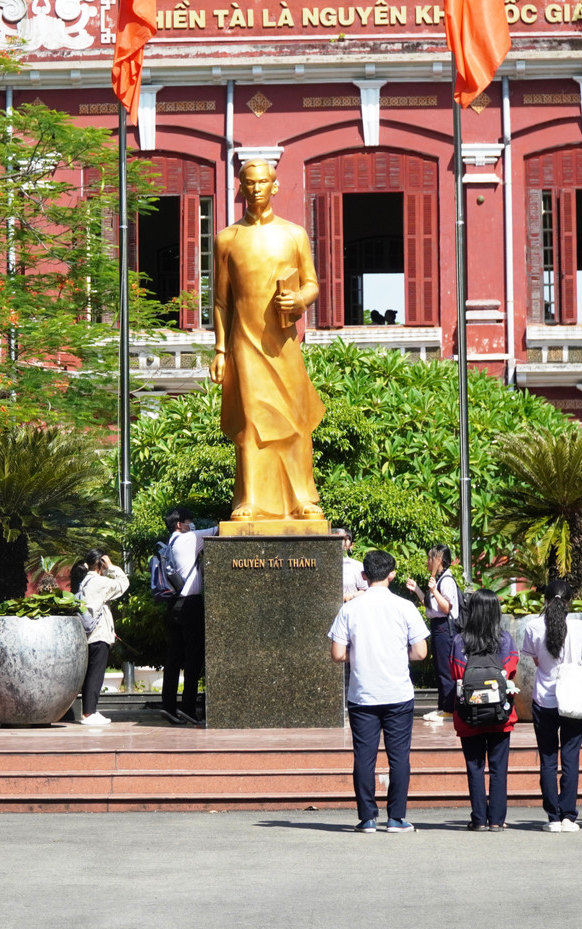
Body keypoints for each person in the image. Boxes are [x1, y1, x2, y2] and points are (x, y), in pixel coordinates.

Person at [209, 158, 325, 523]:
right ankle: (251, 500)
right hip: (244, 341)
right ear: (241, 188)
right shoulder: (227, 239)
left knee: (295, 418)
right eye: (250, 182)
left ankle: (303, 498)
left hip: (283, 343)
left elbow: (312, 283)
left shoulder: (294, 235)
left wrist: (301, 299)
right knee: (252, 420)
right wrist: (219, 349)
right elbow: (220, 300)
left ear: (274, 187)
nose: (256, 187)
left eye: (263, 182)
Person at [328, 549, 430, 834]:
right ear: (392, 574)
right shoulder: (405, 607)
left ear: (363, 576)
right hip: (397, 693)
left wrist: (361, 654)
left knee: (364, 756)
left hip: (363, 694)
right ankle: (396, 818)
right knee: (399, 757)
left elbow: (337, 654)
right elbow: (421, 652)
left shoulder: (349, 608)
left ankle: (368, 819)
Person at [520, 579, 582, 832]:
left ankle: (552, 818)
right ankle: (569, 817)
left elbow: (536, 659)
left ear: (545, 600)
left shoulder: (532, 626)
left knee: (548, 759)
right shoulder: (578, 626)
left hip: (544, 699)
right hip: (572, 698)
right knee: (571, 757)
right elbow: (581, 656)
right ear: (569, 601)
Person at [449, 588, 518, 831]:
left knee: (475, 766)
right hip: (500, 713)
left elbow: (457, 674)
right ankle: (497, 820)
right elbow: (510, 671)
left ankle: (478, 819)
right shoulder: (505, 640)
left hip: (469, 714)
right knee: (499, 768)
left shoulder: (460, 641)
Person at [161, 507, 218, 725]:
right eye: (189, 521)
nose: (191, 525)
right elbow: (219, 530)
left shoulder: (170, 544)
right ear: (179, 524)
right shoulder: (187, 540)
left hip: (173, 604)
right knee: (193, 657)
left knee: (174, 658)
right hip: (190, 605)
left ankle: (168, 705)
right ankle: (187, 708)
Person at [71, 549, 129, 727]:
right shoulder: (99, 582)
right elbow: (123, 584)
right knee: (96, 675)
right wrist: (111, 567)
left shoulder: (84, 582)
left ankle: (90, 711)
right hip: (98, 635)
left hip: (88, 635)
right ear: (101, 563)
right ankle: (89, 713)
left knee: (91, 675)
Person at [405, 544, 459, 721]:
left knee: (445, 669)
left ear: (439, 560)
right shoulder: (439, 578)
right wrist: (418, 590)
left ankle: (449, 709)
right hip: (438, 626)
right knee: (440, 668)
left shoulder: (447, 580)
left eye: (430, 558)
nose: (428, 561)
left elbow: (445, 608)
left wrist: (434, 590)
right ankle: (443, 707)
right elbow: (430, 605)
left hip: (445, 627)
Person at [335, 527, 368, 602]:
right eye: (338, 539)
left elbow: (365, 590)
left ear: (351, 545)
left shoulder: (357, 566)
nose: (342, 542)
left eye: (345, 539)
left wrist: (350, 597)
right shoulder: (324, 564)